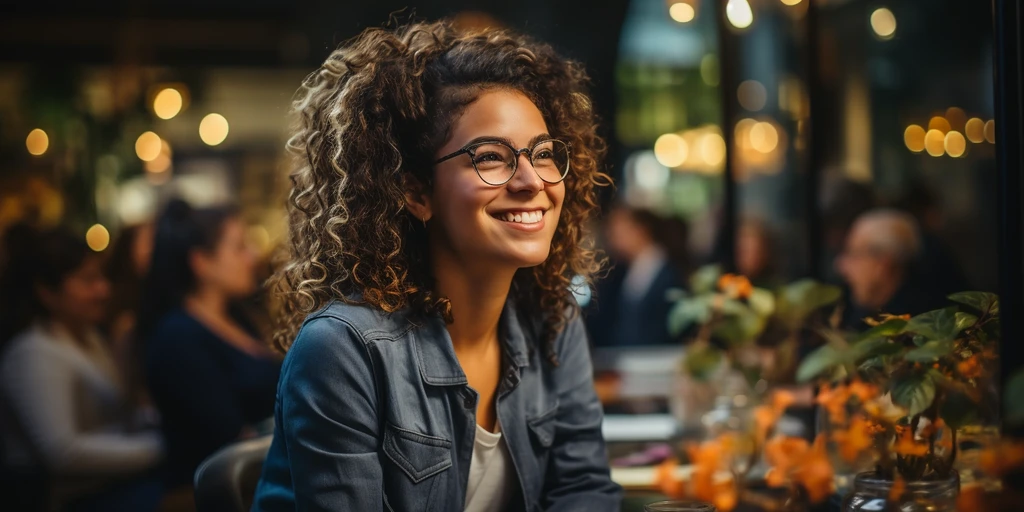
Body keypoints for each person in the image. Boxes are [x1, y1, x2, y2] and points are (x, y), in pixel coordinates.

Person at [251, 20, 621, 511]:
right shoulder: (343, 349)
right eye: (491, 157)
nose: (533, 181)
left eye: (544, 153)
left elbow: (584, 491)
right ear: (416, 192)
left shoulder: (553, 321)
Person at [0, 224, 164, 511]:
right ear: (47, 292)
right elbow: (63, 452)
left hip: (111, 487)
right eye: (88, 280)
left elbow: (115, 415)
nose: (103, 288)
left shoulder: (87, 336)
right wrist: (158, 448)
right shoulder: (32, 352)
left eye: (101, 276)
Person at [137, 200, 280, 491]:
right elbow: (227, 437)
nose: (252, 256)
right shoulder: (178, 338)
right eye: (239, 247)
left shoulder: (238, 318)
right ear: (202, 262)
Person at [587, 205, 683, 347]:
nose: (611, 237)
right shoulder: (620, 272)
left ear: (640, 231)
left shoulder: (668, 273)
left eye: (618, 231)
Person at [835, 209, 944, 329]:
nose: (841, 266)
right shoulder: (851, 310)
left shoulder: (914, 330)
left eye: (853, 254)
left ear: (882, 264)